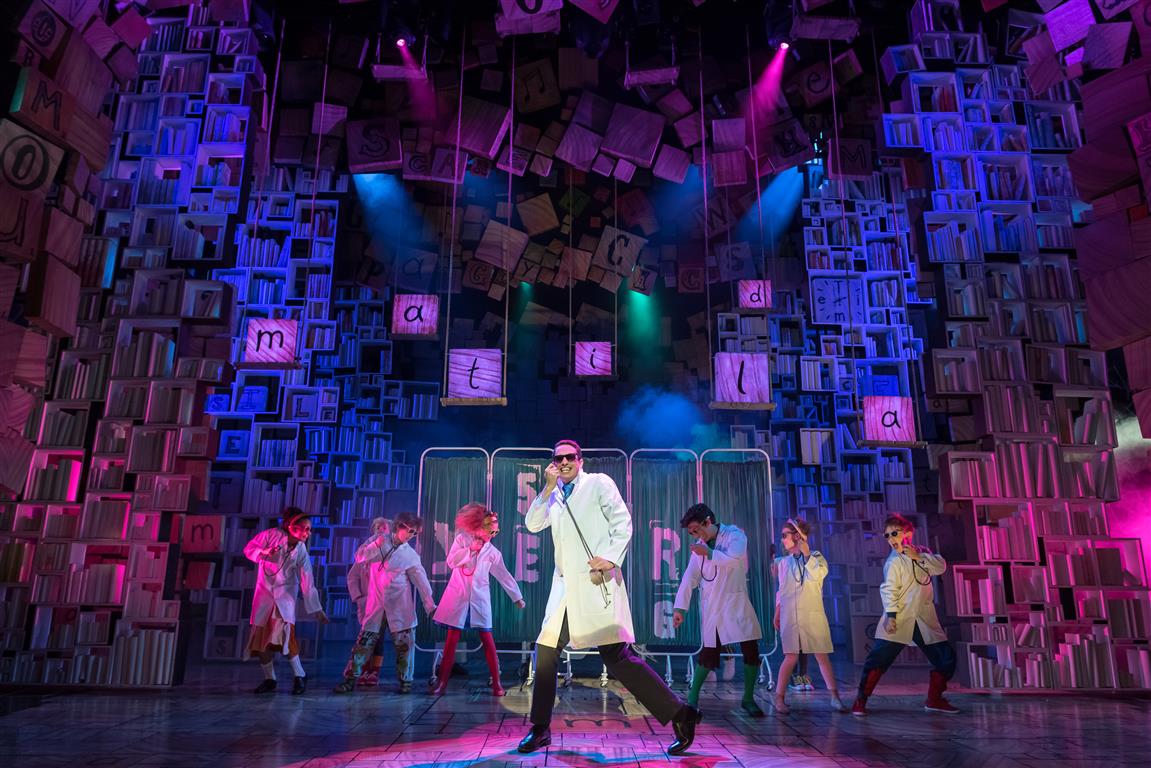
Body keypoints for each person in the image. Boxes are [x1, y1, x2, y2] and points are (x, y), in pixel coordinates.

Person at [517, 440, 702, 756]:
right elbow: (532, 524)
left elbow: (622, 522)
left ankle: (681, 713)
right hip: (564, 589)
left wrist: (611, 558)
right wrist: (546, 489)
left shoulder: (598, 483)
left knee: (617, 657)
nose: (564, 463)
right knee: (545, 650)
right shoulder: (554, 495)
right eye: (558, 459)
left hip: (595, 582)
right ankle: (540, 728)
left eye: (569, 457)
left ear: (580, 460)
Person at [852, 513, 959, 716]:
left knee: (946, 659)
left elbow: (941, 567)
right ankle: (860, 700)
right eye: (887, 536)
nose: (891, 539)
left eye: (894, 533)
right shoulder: (893, 562)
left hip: (924, 619)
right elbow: (889, 589)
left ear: (908, 533)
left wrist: (919, 557)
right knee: (878, 660)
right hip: (900, 618)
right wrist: (891, 616)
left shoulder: (923, 553)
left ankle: (934, 699)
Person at [672, 503, 764, 717]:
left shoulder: (734, 535)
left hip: (735, 602)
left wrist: (710, 553)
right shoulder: (700, 548)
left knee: (751, 650)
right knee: (709, 654)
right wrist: (680, 608)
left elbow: (734, 559)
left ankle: (748, 699)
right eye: (691, 533)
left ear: (708, 522)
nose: (696, 536)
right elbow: (690, 576)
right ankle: (692, 700)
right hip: (714, 606)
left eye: (697, 530)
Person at [333, 512, 436, 694]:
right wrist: (376, 544)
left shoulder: (410, 555)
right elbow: (359, 557)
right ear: (399, 526)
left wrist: (430, 606)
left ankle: (405, 682)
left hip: (400, 607)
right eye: (410, 531)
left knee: (405, 647)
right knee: (363, 644)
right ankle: (350, 680)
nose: (412, 536)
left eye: (415, 533)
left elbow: (421, 582)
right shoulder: (378, 541)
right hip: (376, 605)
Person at [432, 503, 525, 696]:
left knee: (488, 642)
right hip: (459, 598)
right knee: (451, 643)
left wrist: (517, 597)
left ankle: (497, 683)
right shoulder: (462, 540)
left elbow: (504, 575)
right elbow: (451, 562)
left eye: (495, 532)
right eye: (490, 531)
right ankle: (442, 683)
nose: (492, 535)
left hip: (479, 600)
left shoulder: (492, 552)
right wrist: (470, 550)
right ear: (478, 527)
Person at [243, 507, 328, 695]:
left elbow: (307, 580)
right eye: (305, 529)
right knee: (260, 640)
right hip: (264, 594)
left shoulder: (301, 550)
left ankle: (300, 675)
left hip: (284, 596)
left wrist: (316, 608)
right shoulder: (270, 536)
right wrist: (264, 552)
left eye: (309, 529)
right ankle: (270, 679)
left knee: (286, 637)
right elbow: (249, 549)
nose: (308, 533)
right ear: (291, 526)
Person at [772, 518, 846, 713]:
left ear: (797, 536)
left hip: (812, 615)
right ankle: (779, 698)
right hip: (790, 616)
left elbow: (819, 574)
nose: (782, 539)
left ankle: (834, 697)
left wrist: (806, 554)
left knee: (821, 655)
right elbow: (781, 590)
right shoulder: (783, 563)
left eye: (785, 535)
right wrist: (777, 612)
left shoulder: (816, 557)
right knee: (790, 657)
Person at [345, 517, 389, 686]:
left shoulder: (391, 551)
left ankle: (374, 671)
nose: (380, 530)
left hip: (382, 602)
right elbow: (352, 576)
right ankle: (364, 669)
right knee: (366, 637)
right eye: (377, 527)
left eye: (384, 527)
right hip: (366, 602)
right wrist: (358, 597)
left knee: (378, 637)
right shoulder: (365, 551)